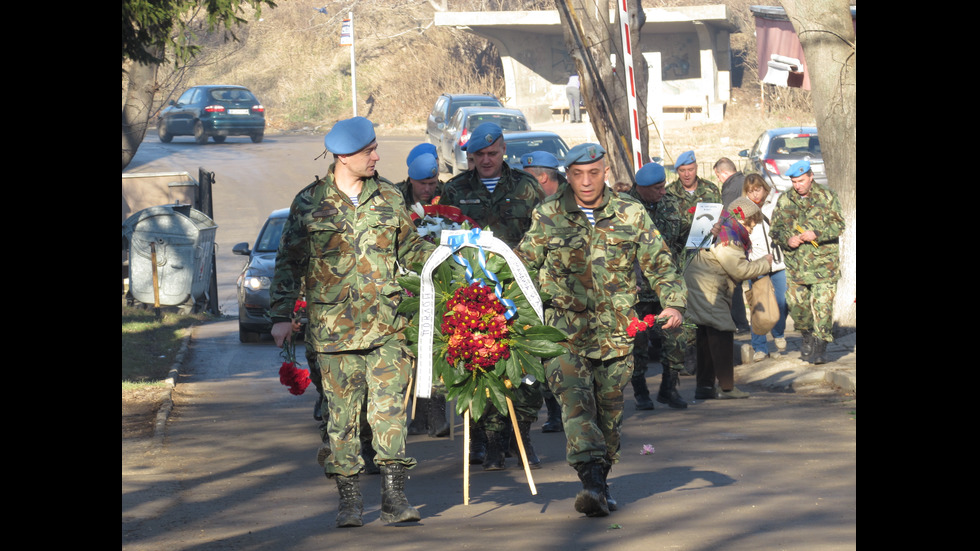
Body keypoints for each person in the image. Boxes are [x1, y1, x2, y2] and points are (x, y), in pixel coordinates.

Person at [269, 116, 435, 528]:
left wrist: (450, 260)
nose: (376, 156)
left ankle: (395, 499)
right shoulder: (309, 203)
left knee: (390, 414)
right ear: (344, 156)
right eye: (368, 151)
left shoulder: (390, 199)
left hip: (387, 328)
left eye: (375, 148)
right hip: (334, 333)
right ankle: (349, 501)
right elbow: (289, 261)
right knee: (341, 420)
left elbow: (410, 250)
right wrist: (280, 316)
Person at [515, 143, 687, 517]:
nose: (586, 181)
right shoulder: (547, 215)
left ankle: (601, 478)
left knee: (609, 415)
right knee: (576, 404)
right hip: (563, 332)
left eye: (593, 173)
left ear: (605, 171)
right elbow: (522, 266)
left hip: (617, 334)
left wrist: (673, 301)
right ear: (568, 175)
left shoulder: (630, 212)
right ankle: (591, 480)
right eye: (577, 174)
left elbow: (659, 263)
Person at [441, 121, 546, 470]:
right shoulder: (455, 190)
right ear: (470, 155)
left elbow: (544, 232)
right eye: (479, 155)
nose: (486, 160)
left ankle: (521, 435)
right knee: (477, 362)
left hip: (518, 289)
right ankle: (484, 439)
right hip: (473, 294)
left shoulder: (527, 187)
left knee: (525, 365)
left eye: (492, 153)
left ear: (503, 151)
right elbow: (444, 239)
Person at [684, 197, 772, 400]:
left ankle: (705, 387)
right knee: (722, 333)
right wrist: (764, 263)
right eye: (752, 224)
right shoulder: (729, 236)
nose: (751, 230)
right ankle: (727, 387)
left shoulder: (718, 223)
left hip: (698, 285)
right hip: (711, 289)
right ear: (745, 219)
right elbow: (739, 269)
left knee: (706, 336)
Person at [769, 160, 845, 365]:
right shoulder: (785, 200)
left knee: (823, 306)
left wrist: (817, 234)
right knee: (797, 306)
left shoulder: (827, 196)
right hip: (796, 267)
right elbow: (774, 230)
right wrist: (786, 240)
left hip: (824, 265)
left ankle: (821, 346)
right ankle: (807, 335)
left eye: (801, 181)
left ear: (811, 176)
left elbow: (839, 225)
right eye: (794, 181)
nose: (797, 185)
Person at [627, 162, 688, 409]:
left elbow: (685, 236)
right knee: (638, 343)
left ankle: (668, 388)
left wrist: (705, 233)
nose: (663, 192)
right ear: (642, 188)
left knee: (676, 339)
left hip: (666, 287)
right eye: (657, 188)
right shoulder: (625, 207)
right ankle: (641, 392)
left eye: (664, 186)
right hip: (637, 289)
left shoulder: (671, 203)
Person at [666, 150, 722, 374]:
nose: (687, 174)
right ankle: (687, 353)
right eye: (682, 171)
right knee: (684, 306)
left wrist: (718, 229)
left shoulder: (710, 190)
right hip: (680, 259)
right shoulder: (670, 193)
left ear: (697, 168)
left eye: (690, 170)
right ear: (677, 172)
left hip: (706, 258)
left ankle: (708, 354)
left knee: (707, 305)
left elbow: (722, 217)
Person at [742, 173, 790, 361]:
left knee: (782, 301)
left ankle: (778, 332)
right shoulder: (743, 209)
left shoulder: (775, 202)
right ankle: (759, 346)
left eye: (758, 189)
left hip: (778, 261)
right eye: (750, 191)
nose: (755, 194)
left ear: (764, 188)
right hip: (756, 263)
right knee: (759, 306)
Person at [714, 157, 750, 333]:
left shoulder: (730, 187)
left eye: (718, 176)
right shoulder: (744, 181)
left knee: (733, 285)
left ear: (724, 173)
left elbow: (727, 216)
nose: (719, 180)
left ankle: (740, 323)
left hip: (735, 239)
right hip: (747, 238)